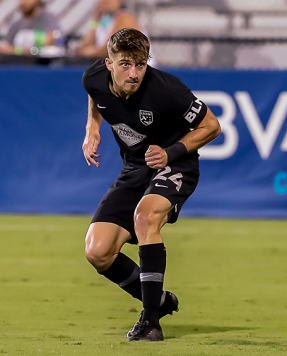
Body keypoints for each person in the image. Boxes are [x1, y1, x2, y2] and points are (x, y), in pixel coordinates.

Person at [81, 27, 221, 342]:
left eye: (140, 64)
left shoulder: (167, 90)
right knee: (98, 251)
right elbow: (96, 97)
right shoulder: (93, 78)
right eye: (126, 64)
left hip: (175, 164)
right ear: (109, 64)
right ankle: (158, 300)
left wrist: (170, 152)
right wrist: (92, 128)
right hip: (134, 168)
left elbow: (212, 126)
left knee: (145, 218)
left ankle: (150, 322)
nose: (134, 73)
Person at [76, 0, 142, 59]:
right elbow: (84, 46)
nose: (105, 1)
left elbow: (110, 51)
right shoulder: (105, 20)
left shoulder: (126, 19)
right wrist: (95, 21)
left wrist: (88, 52)